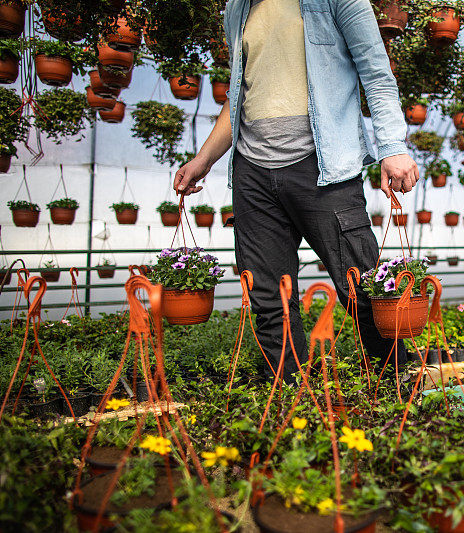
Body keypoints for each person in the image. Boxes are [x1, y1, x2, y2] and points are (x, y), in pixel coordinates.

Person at [173, 0, 419, 377]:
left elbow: (377, 74)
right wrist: (204, 159)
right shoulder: (237, 9)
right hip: (252, 173)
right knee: (270, 298)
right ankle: (291, 399)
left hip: (323, 167)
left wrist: (393, 146)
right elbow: (237, 96)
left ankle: (399, 386)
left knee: (363, 287)